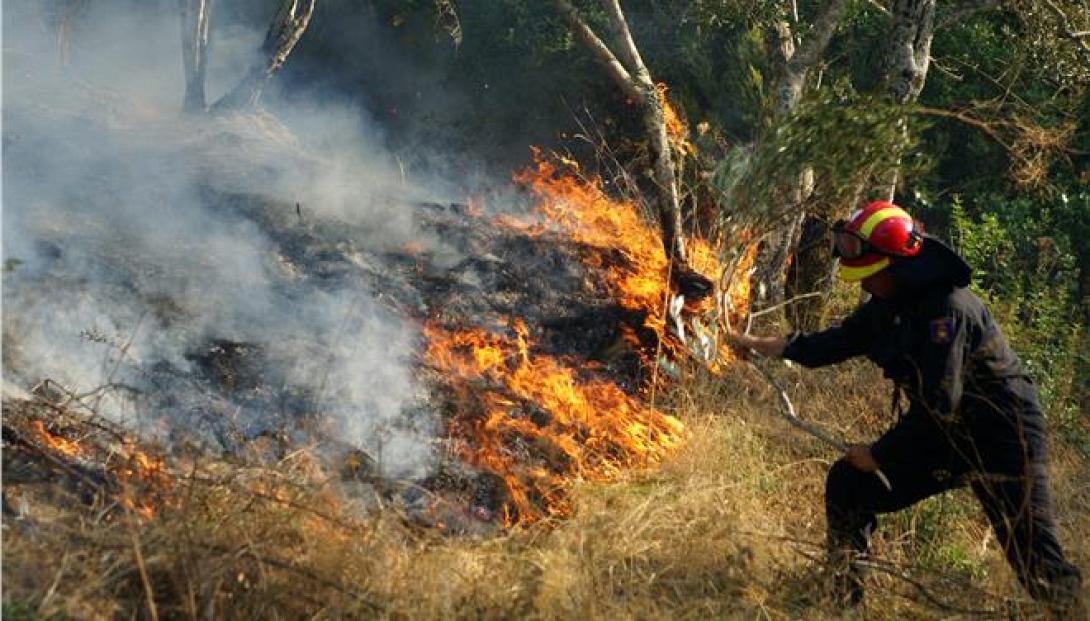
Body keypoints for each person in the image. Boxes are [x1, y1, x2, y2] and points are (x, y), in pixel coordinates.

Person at [729, 201, 1083, 616]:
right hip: (945, 438)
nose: (864, 285)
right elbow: (834, 342)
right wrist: (759, 346)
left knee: (1035, 562)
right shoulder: (888, 303)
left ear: (897, 266)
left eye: (870, 275)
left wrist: (879, 453)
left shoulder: (948, 312)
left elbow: (938, 403)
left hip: (1004, 437)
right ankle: (840, 601)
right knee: (849, 484)